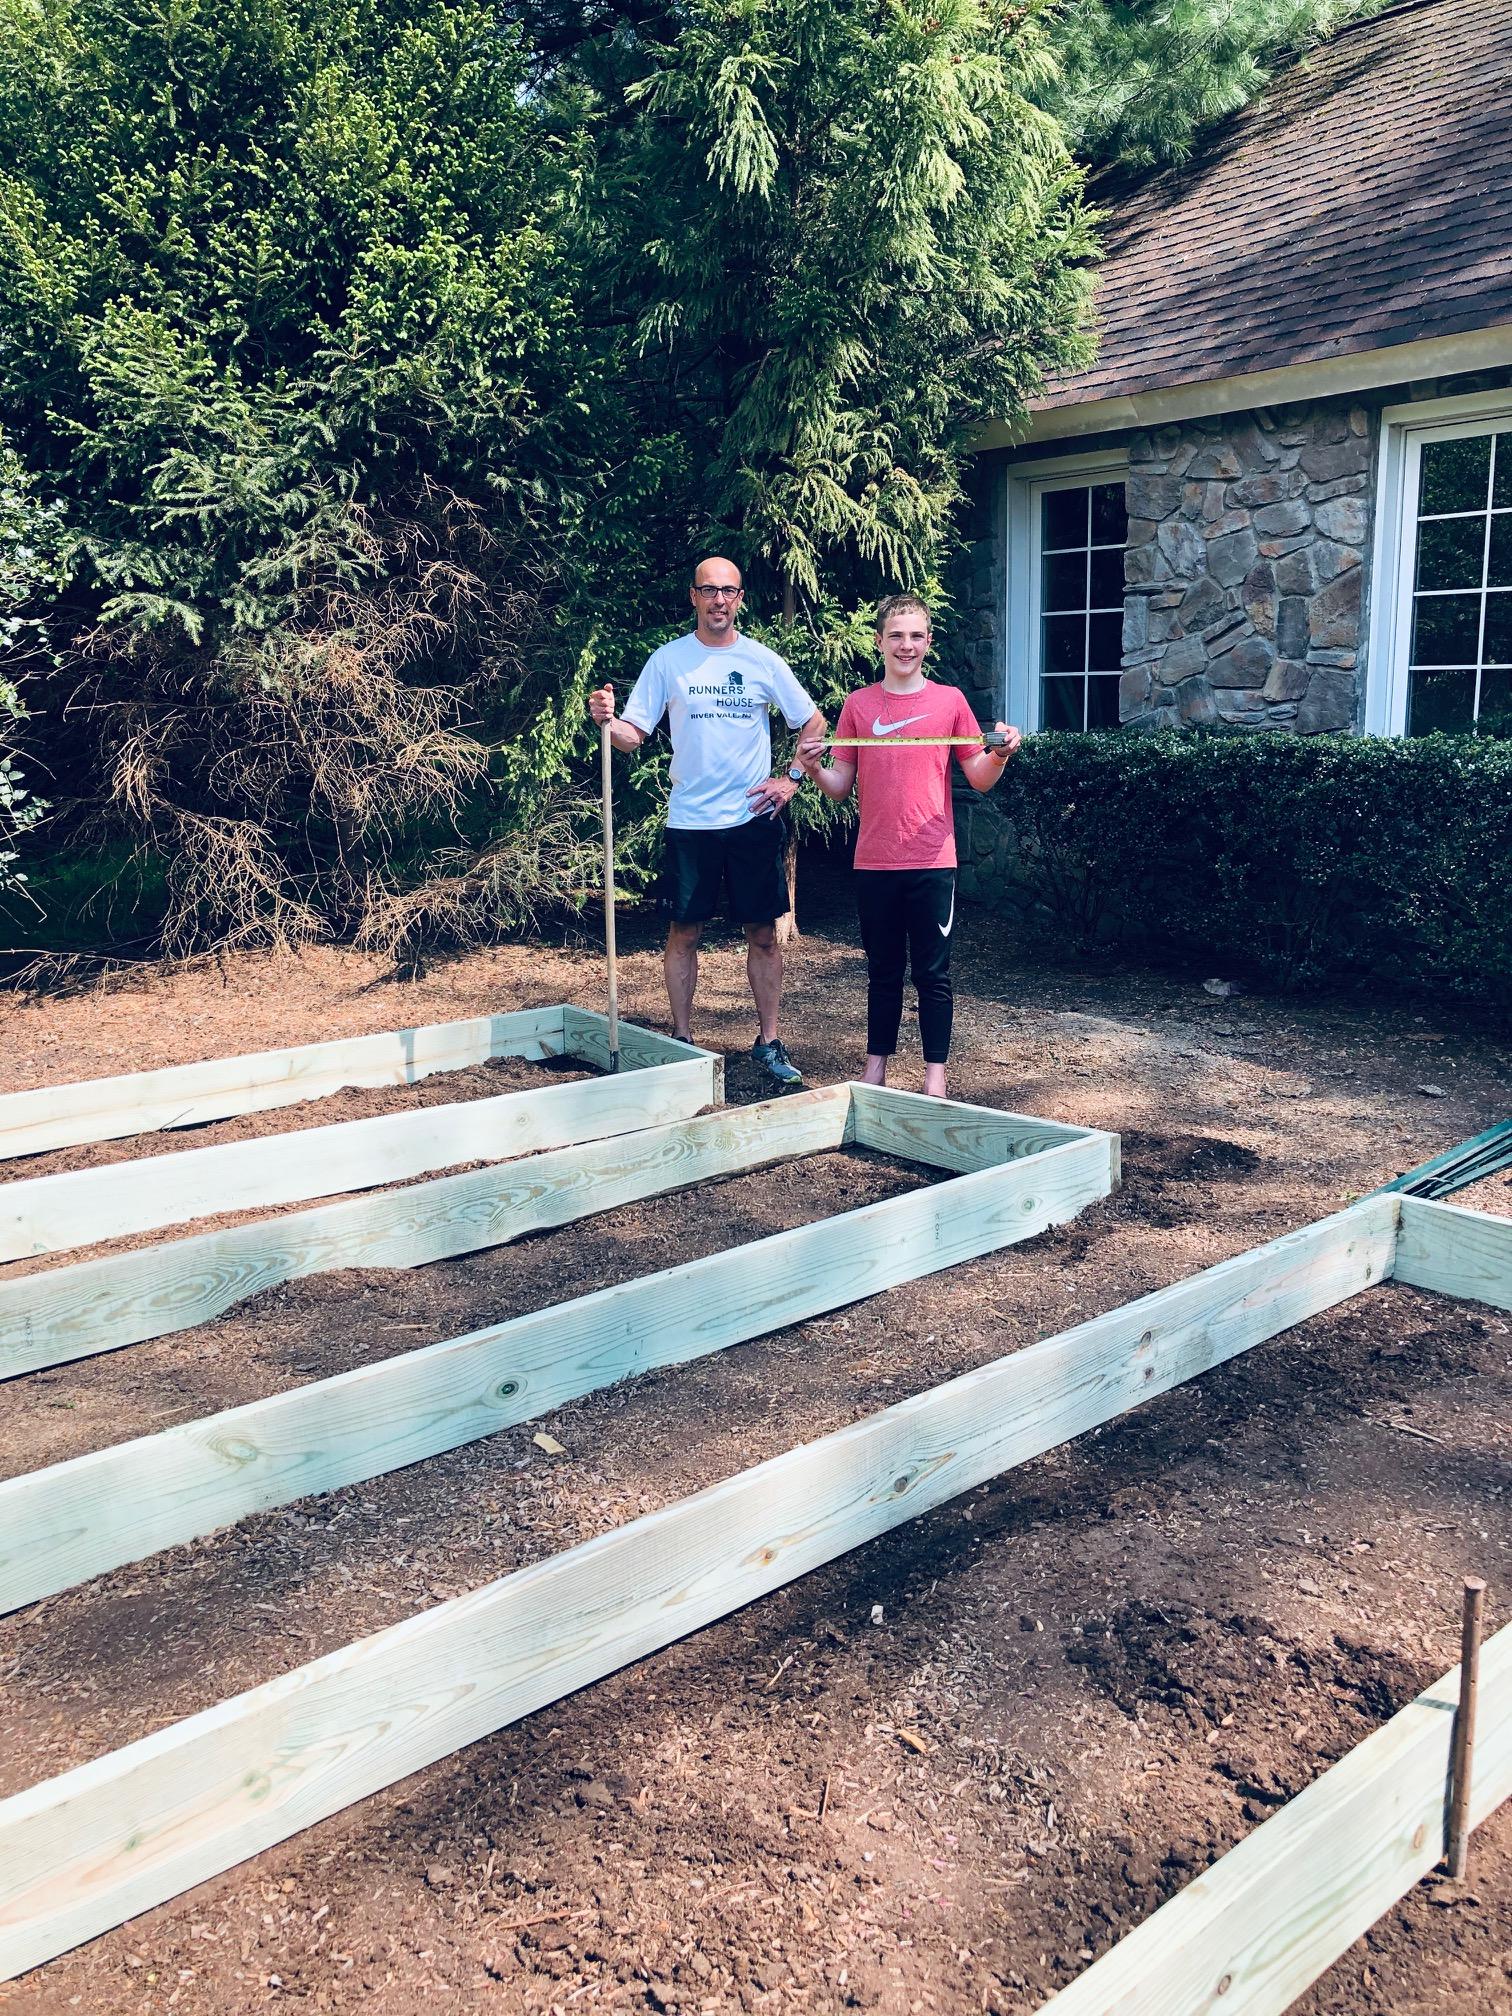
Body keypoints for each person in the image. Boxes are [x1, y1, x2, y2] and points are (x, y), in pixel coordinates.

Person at [590, 556, 825, 1086]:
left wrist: (791, 777)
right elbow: (632, 735)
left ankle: (768, 1043)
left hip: (751, 819)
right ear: (693, 596)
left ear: (740, 599)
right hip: (691, 821)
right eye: (709, 590)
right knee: (683, 931)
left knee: (764, 934)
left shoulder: (762, 661)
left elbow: (812, 720)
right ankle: (682, 1041)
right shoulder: (669, 661)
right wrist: (606, 720)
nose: (720, 600)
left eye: (730, 591)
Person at [797, 593, 1020, 1099]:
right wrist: (811, 767)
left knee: (933, 974)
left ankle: (934, 1081)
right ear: (878, 641)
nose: (906, 645)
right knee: (882, 971)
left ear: (929, 643)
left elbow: (979, 777)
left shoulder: (950, 702)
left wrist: (1001, 754)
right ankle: (875, 1070)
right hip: (874, 860)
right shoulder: (859, 704)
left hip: (932, 861)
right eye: (896, 635)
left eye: (916, 635)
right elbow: (840, 785)